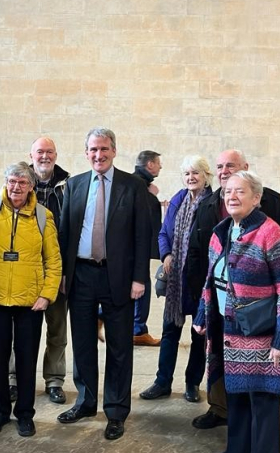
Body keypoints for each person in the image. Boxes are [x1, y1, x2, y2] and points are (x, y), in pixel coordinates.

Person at [192, 170, 280, 453]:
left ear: (256, 198)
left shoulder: (271, 234)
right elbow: (212, 278)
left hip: (262, 339)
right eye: (227, 191)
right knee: (236, 404)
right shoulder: (222, 231)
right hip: (228, 335)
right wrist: (203, 315)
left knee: (263, 406)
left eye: (240, 191)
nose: (232, 196)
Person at [57, 127, 150, 441]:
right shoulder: (74, 185)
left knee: (120, 346)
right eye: (93, 149)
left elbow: (142, 236)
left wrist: (140, 278)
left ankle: (116, 410)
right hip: (81, 275)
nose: (99, 155)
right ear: (86, 153)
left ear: (114, 151)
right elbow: (66, 234)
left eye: (104, 149)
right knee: (82, 343)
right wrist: (64, 275)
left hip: (119, 277)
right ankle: (84, 402)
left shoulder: (133, 186)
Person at [0, 162, 62, 438]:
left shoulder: (43, 216)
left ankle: (25, 413)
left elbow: (53, 259)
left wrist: (47, 294)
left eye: (22, 183)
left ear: (31, 186)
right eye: (12, 181)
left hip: (30, 301)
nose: (16, 187)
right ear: (5, 181)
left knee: (26, 359)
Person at [139, 155, 213, 403]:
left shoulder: (212, 203)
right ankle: (162, 382)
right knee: (170, 332)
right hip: (176, 281)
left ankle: (193, 383)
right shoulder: (178, 200)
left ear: (206, 176)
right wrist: (167, 254)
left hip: (200, 279)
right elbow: (163, 232)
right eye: (187, 173)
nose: (191, 178)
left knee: (198, 335)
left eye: (196, 173)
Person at [6, 137, 70, 405]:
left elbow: (72, 230)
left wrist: (67, 271)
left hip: (56, 271)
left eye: (50, 152)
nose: (45, 156)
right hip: (24, 273)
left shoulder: (70, 186)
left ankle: (54, 380)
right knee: (17, 330)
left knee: (57, 329)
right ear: (30, 155)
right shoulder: (17, 184)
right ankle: (13, 379)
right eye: (40, 152)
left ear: (56, 155)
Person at [131, 149, 162, 346]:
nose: (160, 166)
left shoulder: (140, 184)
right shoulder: (140, 186)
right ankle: (138, 329)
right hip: (137, 247)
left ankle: (102, 315)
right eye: (158, 163)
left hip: (133, 246)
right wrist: (153, 196)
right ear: (149, 164)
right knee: (142, 285)